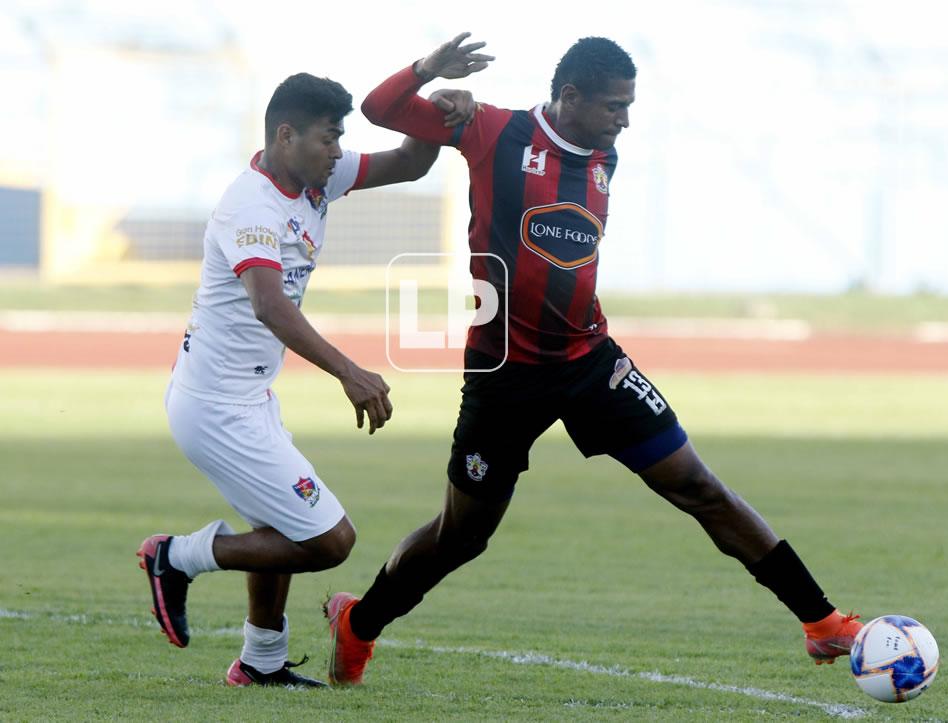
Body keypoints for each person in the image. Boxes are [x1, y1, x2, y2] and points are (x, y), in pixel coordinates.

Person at [324, 34, 862, 686]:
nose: (625, 120)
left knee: (698, 485)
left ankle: (822, 622)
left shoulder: (605, 152)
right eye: (615, 105)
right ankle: (358, 623)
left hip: (590, 362)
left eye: (629, 106)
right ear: (570, 96)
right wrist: (428, 72)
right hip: (503, 376)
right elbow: (380, 109)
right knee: (461, 537)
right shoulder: (490, 128)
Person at [137, 72, 475, 687]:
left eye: (341, 136)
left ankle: (261, 662)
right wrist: (350, 372)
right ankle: (174, 557)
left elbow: (409, 162)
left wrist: (430, 98)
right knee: (329, 540)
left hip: (248, 398)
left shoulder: (315, 179)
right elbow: (270, 305)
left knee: (281, 525)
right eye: (329, 137)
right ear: (286, 136)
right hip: (216, 408)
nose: (339, 150)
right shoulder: (252, 204)